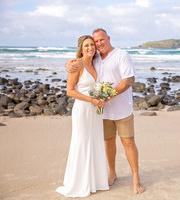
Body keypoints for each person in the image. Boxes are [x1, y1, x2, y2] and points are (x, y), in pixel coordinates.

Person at [66, 28, 144, 194]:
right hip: (102, 112)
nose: (98, 44)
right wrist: (68, 64)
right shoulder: (95, 58)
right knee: (108, 142)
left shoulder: (122, 55)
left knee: (128, 142)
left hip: (122, 109)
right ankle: (112, 173)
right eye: (95, 42)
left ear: (108, 38)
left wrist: (110, 94)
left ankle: (136, 178)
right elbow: (79, 65)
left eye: (101, 40)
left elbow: (129, 80)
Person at [56, 35, 109, 198]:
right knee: (82, 143)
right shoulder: (76, 64)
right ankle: (79, 183)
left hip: (96, 111)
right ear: (81, 48)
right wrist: (91, 99)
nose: (90, 48)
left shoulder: (96, 63)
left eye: (92, 44)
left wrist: (101, 98)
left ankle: (95, 182)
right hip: (83, 110)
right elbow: (70, 90)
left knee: (95, 143)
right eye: (86, 45)